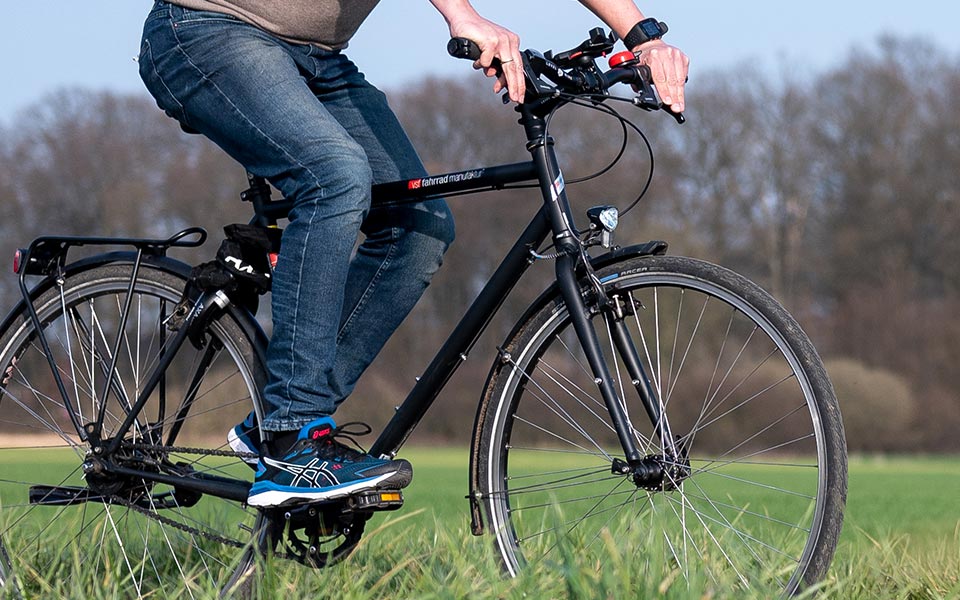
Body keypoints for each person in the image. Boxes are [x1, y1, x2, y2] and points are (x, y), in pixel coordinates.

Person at [139, 0, 689, 508]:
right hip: (208, 30)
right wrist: (464, 16)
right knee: (335, 179)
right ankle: (291, 437)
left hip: (318, 60)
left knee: (419, 229)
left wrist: (640, 37)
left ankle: (277, 425)